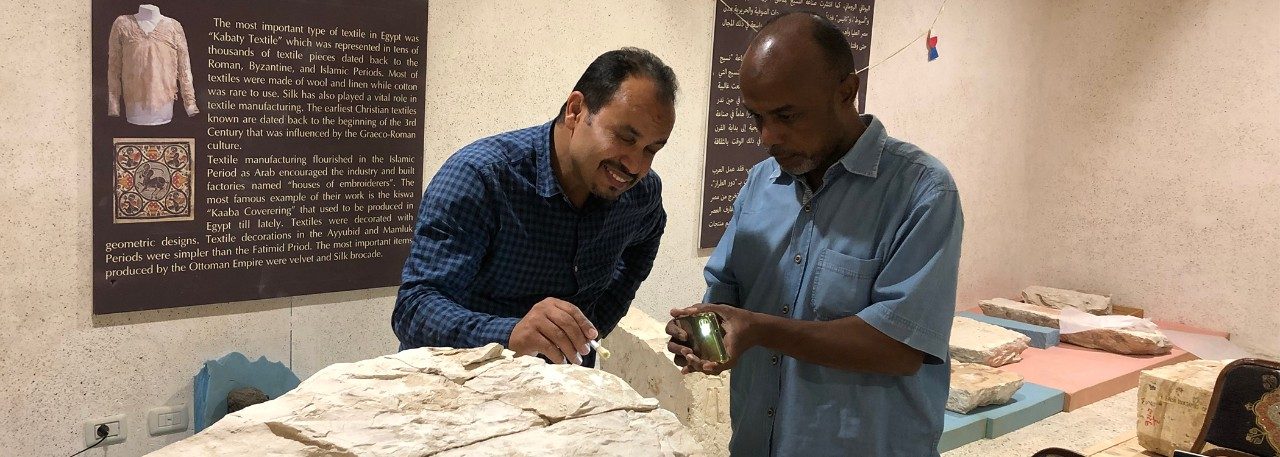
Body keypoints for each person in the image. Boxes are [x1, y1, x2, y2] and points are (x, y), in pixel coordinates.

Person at [667, 12, 964, 456]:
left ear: (846, 92)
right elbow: (725, 297)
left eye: (787, 116)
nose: (768, 137)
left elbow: (899, 347)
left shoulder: (922, 191)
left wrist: (759, 330)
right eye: (756, 117)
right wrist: (701, 334)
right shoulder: (759, 184)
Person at [394, 47, 678, 367]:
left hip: (565, 388)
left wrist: (592, 327)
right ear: (575, 110)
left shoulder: (640, 193)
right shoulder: (482, 178)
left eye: (652, 149)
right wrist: (510, 333)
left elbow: (646, 239)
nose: (635, 165)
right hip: (462, 386)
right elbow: (414, 309)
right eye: (625, 138)